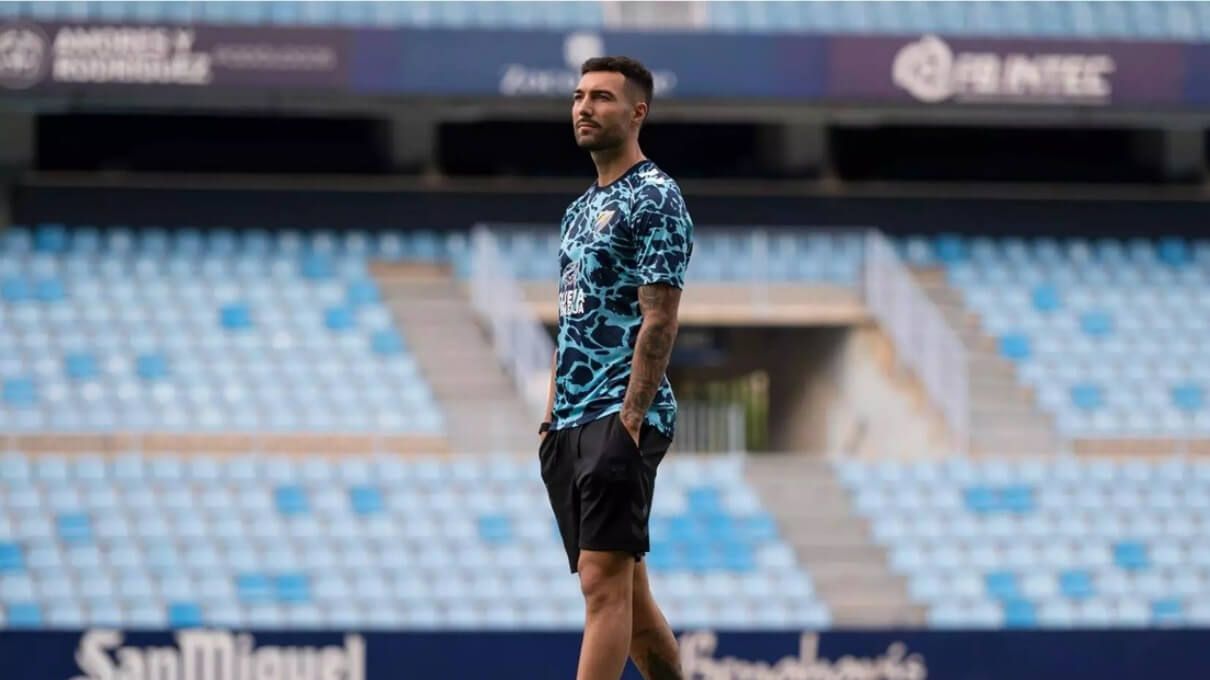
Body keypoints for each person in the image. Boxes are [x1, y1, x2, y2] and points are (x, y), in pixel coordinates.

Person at [538, 56, 693, 680]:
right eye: (578, 96)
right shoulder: (578, 211)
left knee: (601, 587)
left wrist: (630, 418)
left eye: (601, 97)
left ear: (637, 112)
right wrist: (550, 416)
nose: (583, 107)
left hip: (618, 414)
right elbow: (571, 319)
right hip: (570, 422)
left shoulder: (655, 197)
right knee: (630, 592)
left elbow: (660, 318)